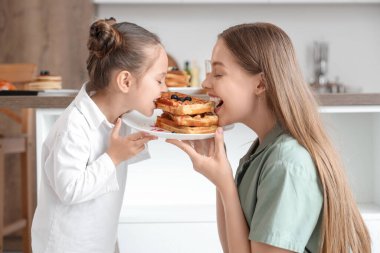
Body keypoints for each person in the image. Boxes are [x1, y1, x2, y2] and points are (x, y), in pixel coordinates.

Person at [167, 23, 371, 253]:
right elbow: (234, 249)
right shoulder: (261, 152)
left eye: (218, 73)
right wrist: (221, 177)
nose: (205, 83)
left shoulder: (286, 162)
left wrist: (225, 182)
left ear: (261, 83)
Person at [31, 17, 167, 253]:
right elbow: (69, 189)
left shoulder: (121, 116)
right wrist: (113, 157)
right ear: (125, 81)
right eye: (159, 80)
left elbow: (152, 126)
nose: (165, 89)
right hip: (64, 246)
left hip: (96, 242)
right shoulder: (74, 125)